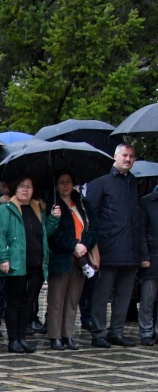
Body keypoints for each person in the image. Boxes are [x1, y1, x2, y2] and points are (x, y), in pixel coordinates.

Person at [83, 143, 150, 347]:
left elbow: (137, 220)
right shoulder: (101, 183)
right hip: (107, 249)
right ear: (115, 156)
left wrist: (142, 252)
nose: (128, 159)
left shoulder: (133, 183)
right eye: (124, 155)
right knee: (102, 294)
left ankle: (116, 331)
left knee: (124, 295)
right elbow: (90, 218)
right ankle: (98, 333)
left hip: (130, 250)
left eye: (131, 156)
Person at [0, 176, 55, 354]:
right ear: (14, 189)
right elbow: (0, 235)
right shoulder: (6, 209)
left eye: (29, 187)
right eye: (21, 186)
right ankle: (13, 340)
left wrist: (54, 220)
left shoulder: (37, 209)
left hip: (35, 263)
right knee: (13, 302)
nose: (25, 190)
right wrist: (3, 258)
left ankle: (22, 337)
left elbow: (43, 233)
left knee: (28, 302)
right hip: (16, 263)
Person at [45, 172, 96, 350]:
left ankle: (68, 334)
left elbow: (94, 228)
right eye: (61, 183)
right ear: (56, 185)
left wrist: (84, 245)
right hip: (61, 258)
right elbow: (53, 235)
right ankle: (55, 336)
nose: (65, 186)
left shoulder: (83, 203)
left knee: (73, 299)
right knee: (57, 299)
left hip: (81, 259)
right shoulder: (52, 204)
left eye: (68, 182)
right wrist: (73, 245)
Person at [142, 180, 158, 343]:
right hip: (152, 256)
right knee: (148, 297)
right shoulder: (147, 202)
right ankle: (146, 331)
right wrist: (144, 255)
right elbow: (142, 231)